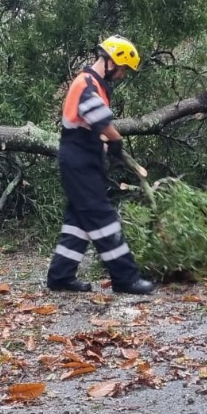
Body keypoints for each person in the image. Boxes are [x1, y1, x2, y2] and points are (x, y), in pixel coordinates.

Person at [46, 36, 158, 295]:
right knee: (103, 217)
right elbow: (101, 121)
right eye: (123, 70)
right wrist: (116, 140)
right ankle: (126, 278)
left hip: (82, 159)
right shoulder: (87, 84)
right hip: (79, 163)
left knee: (78, 221)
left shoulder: (90, 82)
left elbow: (87, 128)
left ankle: (60, 276)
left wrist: (106, 147)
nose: (122, 76)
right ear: (113, 62)